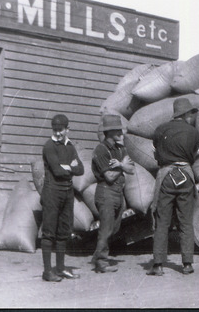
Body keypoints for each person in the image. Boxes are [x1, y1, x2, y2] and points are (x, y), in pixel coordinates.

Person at [147, 98, 199, 276]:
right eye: (191, 113)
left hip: (167, 176)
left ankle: (158, 265)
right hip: (185, 176)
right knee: (185, 221)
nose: (192, 117)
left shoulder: (160, 129)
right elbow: (195, 153)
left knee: (162, 221)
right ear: (184, 114)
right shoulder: (193, 132)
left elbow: (156, 148)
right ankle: (187, 264)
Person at [41, 114, 84, 282]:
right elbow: (57, 171)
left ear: (67, 129)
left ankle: (59, 269)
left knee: (63, 231)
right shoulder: (49, 146)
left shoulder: (70, 146)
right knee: (49, 231)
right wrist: (69, 167)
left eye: (61, 130)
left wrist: (67, 167)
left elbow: (81, 169)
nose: (58, 133)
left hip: (67, 192)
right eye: (55, 130)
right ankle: (47, 272)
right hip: (52, 192)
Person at [91, 114, 134, 273]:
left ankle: (97, 255)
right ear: (108, 132)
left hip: (118, 193)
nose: (120, 133)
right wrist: (122, 166)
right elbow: (108, 177)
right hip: (106, 192)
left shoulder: (121, 148)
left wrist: (121, 166)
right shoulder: (100, 150)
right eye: (116, 130)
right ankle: (101, 263)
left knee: (114, 228)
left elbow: (132, 169)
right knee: (106, 229)